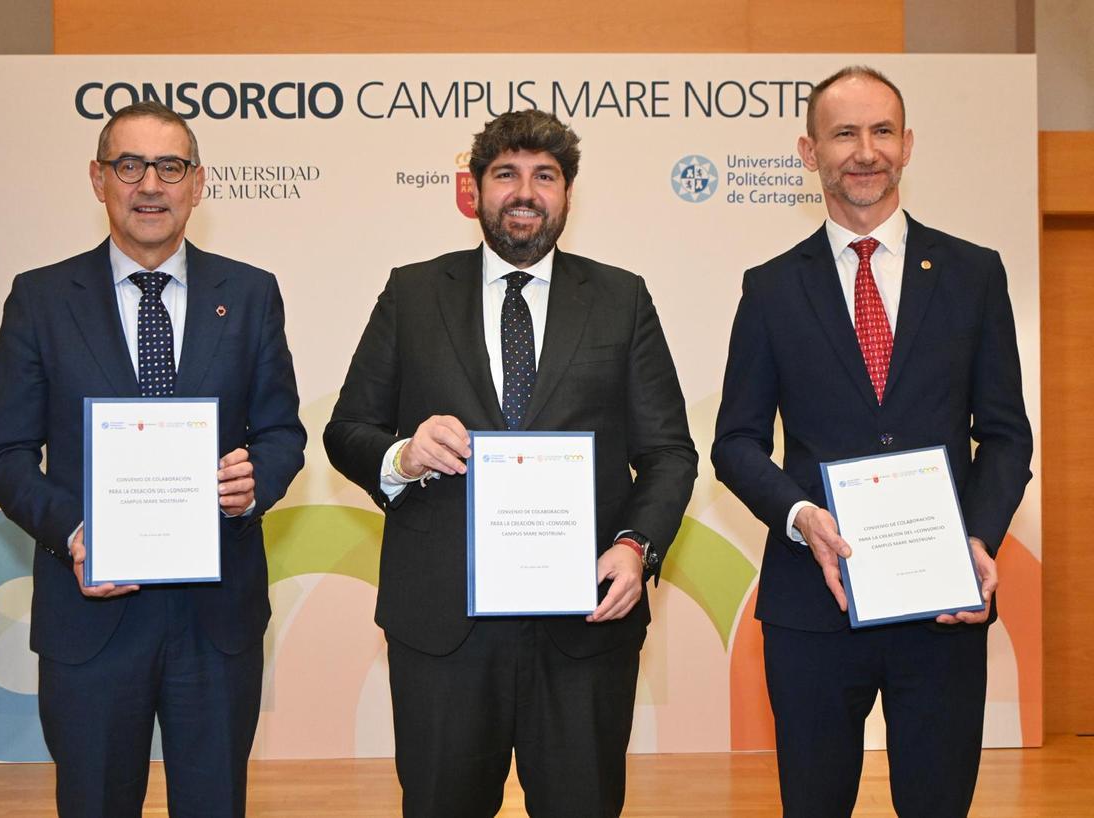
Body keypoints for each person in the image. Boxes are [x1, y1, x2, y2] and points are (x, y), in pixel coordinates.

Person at [324, 109, 698, 818]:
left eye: (545, 176)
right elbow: (347, 430)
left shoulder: (622, 299)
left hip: (584, 624)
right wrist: (403, 455)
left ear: (567, 194)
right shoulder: (412, 292)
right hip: (444, 628)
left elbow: (668, 453)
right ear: (476, 190)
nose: (525, 192)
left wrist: (635, 546)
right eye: (506, 174)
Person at [711, 66, 1033, 817]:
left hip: (943, 607)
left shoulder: (974, 274)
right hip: (812, 608)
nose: (866, 151)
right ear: (809, 150)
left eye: (882, 131)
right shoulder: (769, 288)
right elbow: (736, 443)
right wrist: (801, 518)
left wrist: (979, 540)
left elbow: (1008, 435)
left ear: (909, 144)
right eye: (845, 133)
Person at [0, 101, 306, 818]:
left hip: (216, 623)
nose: (150, 184)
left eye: (170, 166)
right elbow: (2, 451)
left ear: (198, 183)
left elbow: (283, 433)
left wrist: (257, 482)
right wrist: (72, 532)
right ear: (99, 179)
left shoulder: (249, 295)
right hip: (90, 617)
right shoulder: (39, 299)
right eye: (130, 165)